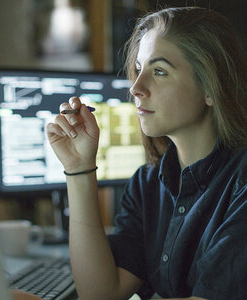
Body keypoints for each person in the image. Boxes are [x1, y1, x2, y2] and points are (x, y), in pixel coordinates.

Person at [46, 6, 247, 300]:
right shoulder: (147, 183)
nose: (136, 88)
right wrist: (78, 168)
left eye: (160, 71)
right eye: (139, 70)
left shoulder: (241, 181)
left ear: (211, 88)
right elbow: (101, 293)